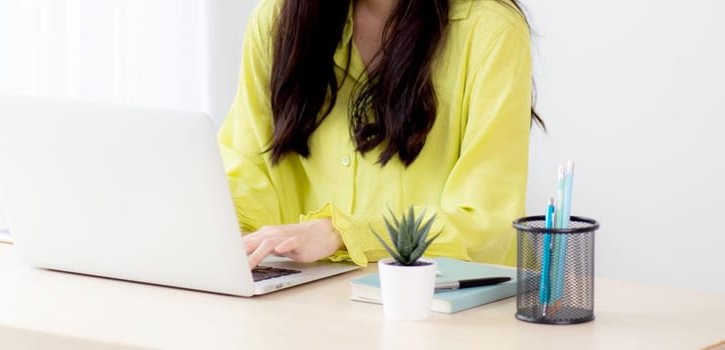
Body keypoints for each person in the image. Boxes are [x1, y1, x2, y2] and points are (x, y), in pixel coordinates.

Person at [220, 0, 543, 269]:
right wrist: (224, 232)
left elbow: (485, 222)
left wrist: (342, 234)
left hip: (440, 310)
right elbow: (246, 170)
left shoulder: (491, 31)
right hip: (307, 303)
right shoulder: (278, 20)